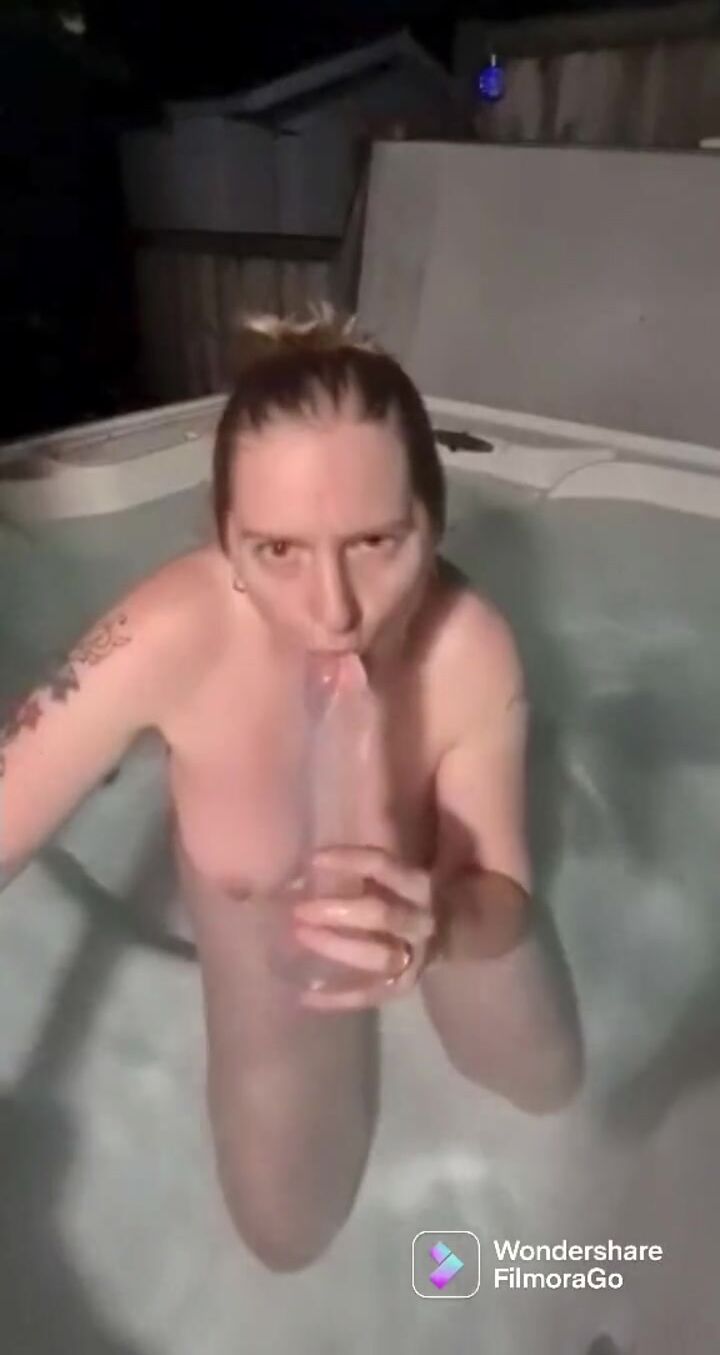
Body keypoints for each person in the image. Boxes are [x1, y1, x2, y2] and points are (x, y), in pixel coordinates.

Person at [0, 306, 581, 1271]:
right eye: (278, 550)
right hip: (267, 950)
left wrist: (439, 923)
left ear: (434, 520)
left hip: (437, 897)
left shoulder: (469, 648)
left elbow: (505, 889)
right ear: (225, 540)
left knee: (547, 1083)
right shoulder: (167, 635)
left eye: (376, 541)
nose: (334, 609)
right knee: (288, 1233)